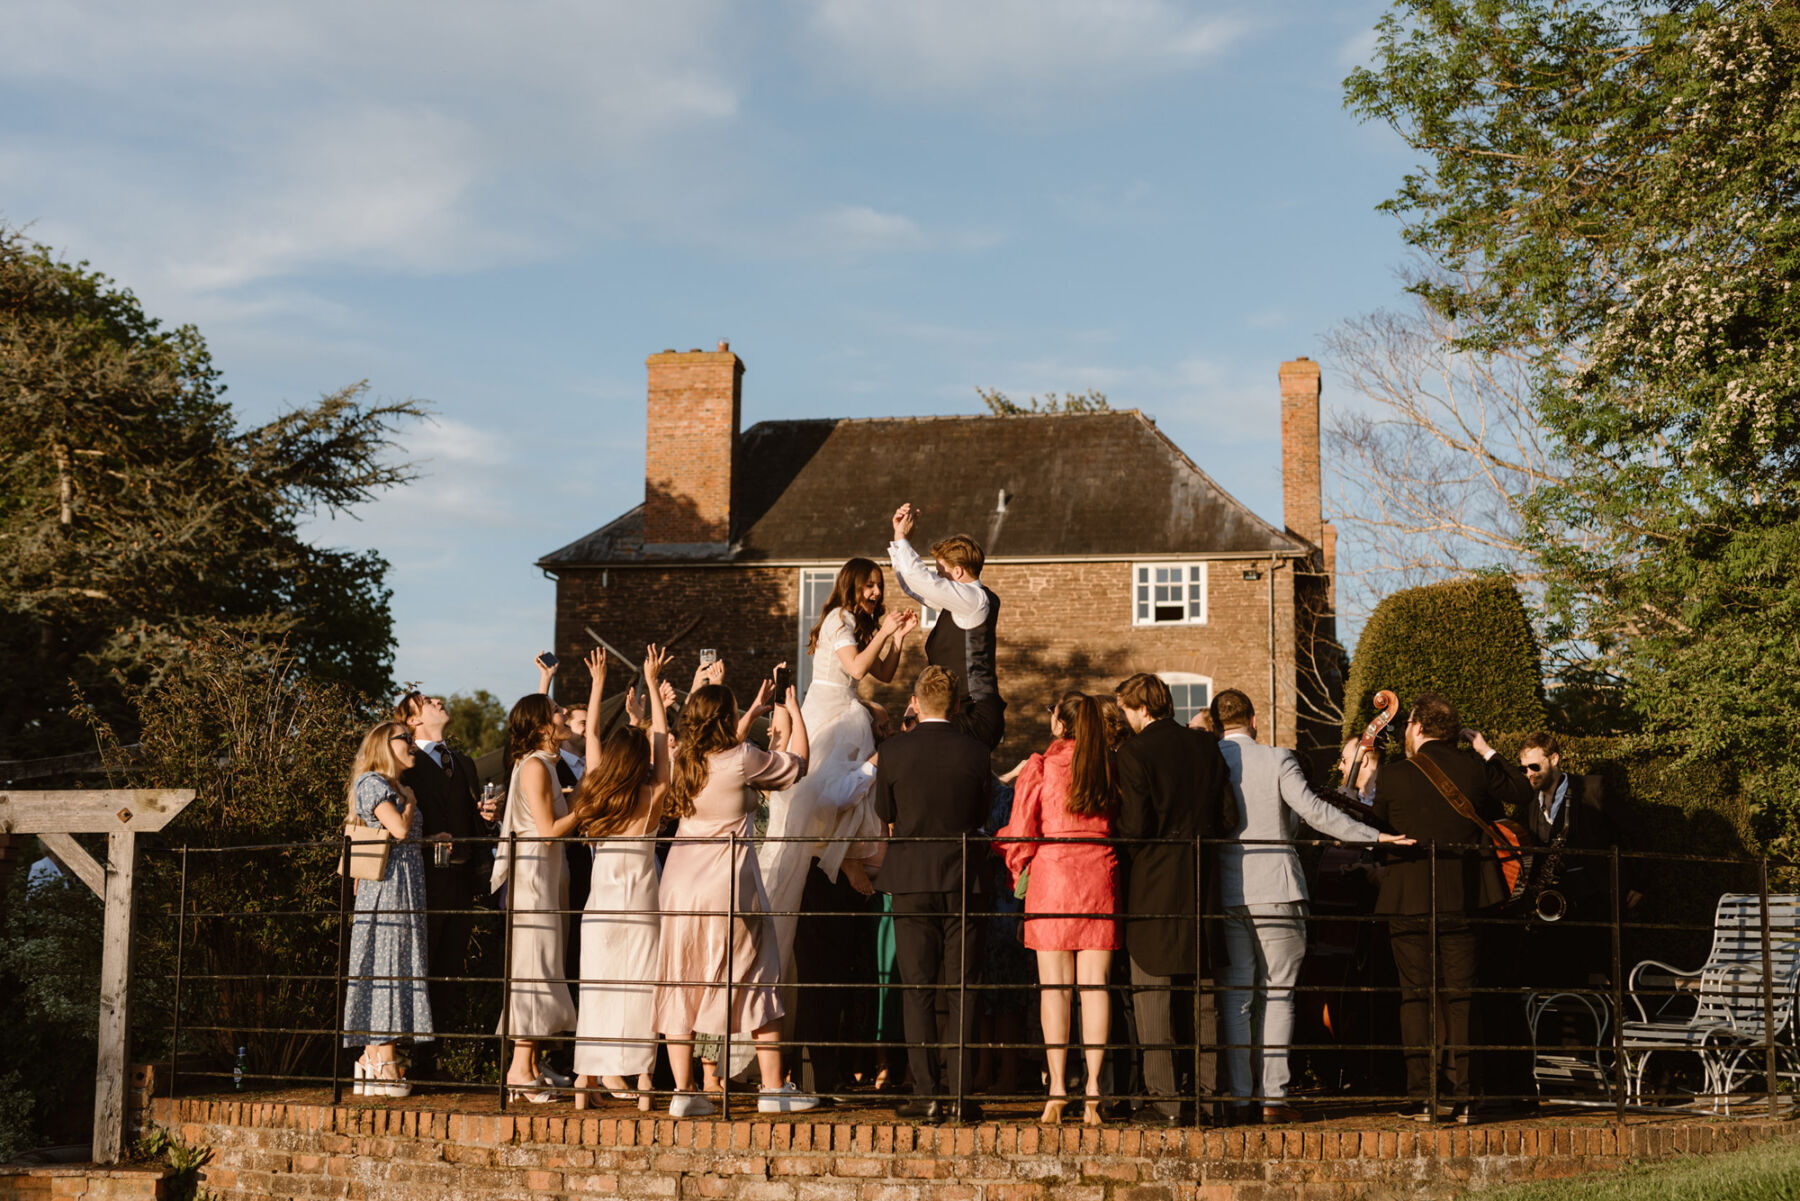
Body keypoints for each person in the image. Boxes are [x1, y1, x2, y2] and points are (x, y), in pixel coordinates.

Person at [1210, 688, 1412, 1124]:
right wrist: (1375, 836)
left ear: (1215, 723)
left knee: (1236, 998)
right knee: (1279, 994)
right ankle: (1273, 1099)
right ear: (1255, 721)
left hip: (1225, 891)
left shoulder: (1207, 762)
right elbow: (1316, 812)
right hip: (1278, 888)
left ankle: (1240, 1097)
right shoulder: (1278, 758)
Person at [653, 675, 821, 1117]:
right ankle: (772, 1089)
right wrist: (796, 710)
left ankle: (684, 1092)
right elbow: (798, 764)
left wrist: (750, 711)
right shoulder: (742, 758)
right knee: (760, 973)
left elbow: (723, 756)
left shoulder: (682, 759)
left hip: (678, 884)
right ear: (726, 719)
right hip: (727, 883)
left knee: (680, 978)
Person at [1371, 692, 1535, 1121]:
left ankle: (1422, 1096)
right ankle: (1465, 1097)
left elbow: (1377, 838)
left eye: (1407, 725)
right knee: (1463, 998)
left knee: (1415, 998)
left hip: (1407, 902)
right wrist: (1485, 748)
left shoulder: (1392, 776)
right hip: (1463, 898)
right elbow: (1522, 791)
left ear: (1417, 727)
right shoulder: (1474, 768)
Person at [761, 557, 916, 986]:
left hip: (848, 710)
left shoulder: (859, 622)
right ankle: (841, 857)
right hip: (828, 711)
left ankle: (846, 854)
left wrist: (897, 638)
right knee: (822, 791)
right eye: (870, 585)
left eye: (879, 586)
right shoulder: (836, 618)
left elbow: (881, 672)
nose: (877, 593)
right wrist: (884, 631)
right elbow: (855, 669)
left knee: (852, 791)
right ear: (852, 584)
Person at [1114, 671, 1238, 1126]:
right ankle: (1210, 1099)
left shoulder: (1134, 752)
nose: (1125, 720)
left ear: (1142, 707)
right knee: (1205, 997)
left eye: (1126, 710)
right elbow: (1228, 816)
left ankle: (1166, 1102)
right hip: (1202, 881)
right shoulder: (1205, 746)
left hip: (1152, 882)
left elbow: (1136, 827)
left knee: (1153, 996)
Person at [997, 691, 1123, 1127]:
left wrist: (1018, 873)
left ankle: (1056, 1091)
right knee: (1095, 988)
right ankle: (1094, 1091)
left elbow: (1020, 833)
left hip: (1053, 878)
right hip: (1098, 875)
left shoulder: (1041, 766)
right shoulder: (1108, 764)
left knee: (1055, 990)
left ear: (1060, 725)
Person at [875, 665, 993, 1123]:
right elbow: (982, 813)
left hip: (909, 875)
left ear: (917, 704)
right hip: (964, 876)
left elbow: (884, 810)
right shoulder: (976, 752)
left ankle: (926, 1094)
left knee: (917, 988)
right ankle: (961, 1096)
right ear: (958, 706)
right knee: (963, 988)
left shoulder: (894, 750)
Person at [571, 646, 672, 1111]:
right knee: (642, 997)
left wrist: (597, 683)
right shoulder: (652, 799)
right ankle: (646, 1088)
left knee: (597, 996)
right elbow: (662, 741)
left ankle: (582, 1085)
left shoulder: (596, 790)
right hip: (643, 913)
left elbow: (591, 731)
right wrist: (652, 684)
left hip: (600, 914)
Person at [394, 690, 496, 1072]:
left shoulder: (464, 762)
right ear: (413, 720)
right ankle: (409, 1058)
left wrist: (485, 819)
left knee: (449, 971)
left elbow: (468, 815)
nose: (439, 702)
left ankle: (434, 1060)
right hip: (422, 880)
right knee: (421, 966)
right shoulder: (404, 762)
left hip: (462, 878)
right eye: (429, 701)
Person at [492, 691, 583, 1101]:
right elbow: (548, 829)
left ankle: (527, 1065)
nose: (564, 716)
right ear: (544, 726)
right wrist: (590, 805)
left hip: (548, 873)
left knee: (545, 963)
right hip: (533, 876)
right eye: (558, 712)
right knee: (534, 966)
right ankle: (517, 1070)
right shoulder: (533, 767)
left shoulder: (544, 765)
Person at [341, 721, 435, 1098]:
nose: (412, 745)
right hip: (386, 888)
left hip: (404, 884)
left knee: (398, 962)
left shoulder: (393, 786)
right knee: (387, 964)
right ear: (385, 745)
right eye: (405, 739)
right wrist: (410, 803)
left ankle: (373, 1057)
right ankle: (381, 1058)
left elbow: (406, 836)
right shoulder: (374, 784)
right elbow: (397, 829)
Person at [888, 503, 1005, 750]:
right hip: (958, 712)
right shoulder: (960, 605)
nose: (937, 577)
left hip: (974, 715)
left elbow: (922, 580)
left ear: (958, 572)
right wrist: (899, 539)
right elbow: (913, 586)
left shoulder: (974, 601)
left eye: (941, 571)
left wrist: (902, 539)